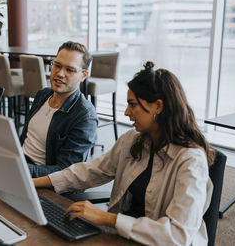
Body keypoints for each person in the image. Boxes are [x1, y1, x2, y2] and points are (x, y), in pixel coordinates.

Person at [34, 61, 215, 245]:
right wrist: (33, 183)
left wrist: (106, 218)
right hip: (124, 235)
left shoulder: (191, 160)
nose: (127, 112)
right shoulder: (133, 139)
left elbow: (177, 235)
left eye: (133, 104)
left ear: (158, 106)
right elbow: (91, 171)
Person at [20, 41, 98, 178]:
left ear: (83, 75)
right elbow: (25, 139)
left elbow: (66, 172)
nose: (60, 74)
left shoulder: (85, 116)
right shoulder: (43, 95)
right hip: (20, 164)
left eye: (69, 70)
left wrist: (24, 169)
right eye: (57, 65)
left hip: (40, 179)